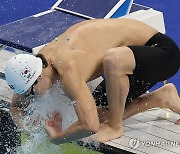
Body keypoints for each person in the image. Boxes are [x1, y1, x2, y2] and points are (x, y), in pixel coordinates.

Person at [5, 18, 180, 144]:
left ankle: (115, 126)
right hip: (134, 64)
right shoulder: (36, 66)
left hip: (162, 53)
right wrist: (27, 126)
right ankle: (162, 98)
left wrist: (58, 137)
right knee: (99, 112)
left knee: (113, 60)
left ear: (39, 78)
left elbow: (90, 126)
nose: (32, 98)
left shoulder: (65, 67)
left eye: (32, 95)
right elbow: (16, 107)